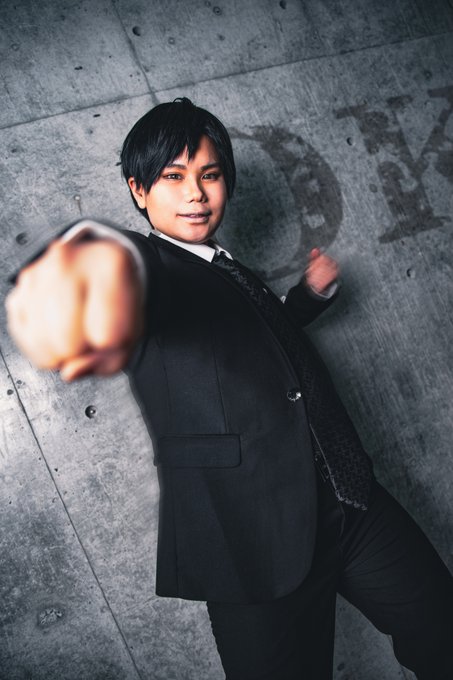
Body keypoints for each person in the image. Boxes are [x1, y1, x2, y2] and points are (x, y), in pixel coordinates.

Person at [6, 97, 453, 679]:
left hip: (351, 501)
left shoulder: (224, 265)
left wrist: (306, 300)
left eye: (209, 175)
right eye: (173, 177)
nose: (195, 193)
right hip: (250, 535)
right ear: (139, 190)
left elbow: (251, 345)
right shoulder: (154, 270)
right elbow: (122, 273)